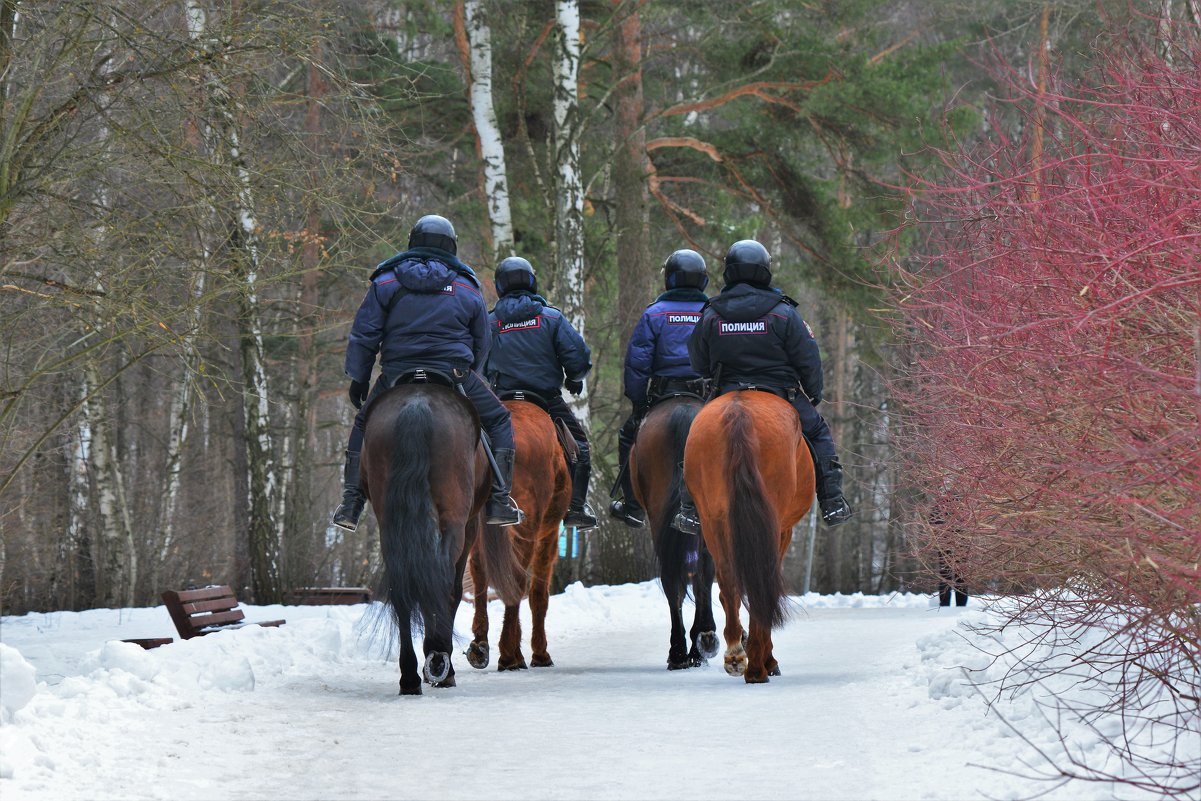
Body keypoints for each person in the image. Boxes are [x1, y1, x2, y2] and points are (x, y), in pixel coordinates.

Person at [332, 214, 523, 532]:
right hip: (453, 372)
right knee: (500, 419)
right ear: (451, 246)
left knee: (363, 422)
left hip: (397, 373)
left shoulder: (386, 281)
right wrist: (470, 372)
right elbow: (482, 340)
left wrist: (359, 377)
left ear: (412, 243)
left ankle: (351, 502)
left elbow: (364, 334)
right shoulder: (466, 285)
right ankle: (500, 500)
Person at [674, 239, 852, 533]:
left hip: (726, 390)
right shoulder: (784, 313)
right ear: (764, 271)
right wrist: (814, 392)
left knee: (695, 435)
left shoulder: (711, 313)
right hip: (781, 392)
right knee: (819, 432)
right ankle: (832, 501)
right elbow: (808, 358)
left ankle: (689, 508)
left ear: (729, 272)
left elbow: (698, 362)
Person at [485, 256, 597, 529]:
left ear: (499, 285)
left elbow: (476, 360)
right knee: (579, 448)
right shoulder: (551, 317)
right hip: (544, 400)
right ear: (532, 282)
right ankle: (576, 508)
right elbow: (578, 359)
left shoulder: (489, 322)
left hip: (501, 401)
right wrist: (574, 378)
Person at [609, 249, 710, 528]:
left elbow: (637, 363)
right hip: (705, 395)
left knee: (629, 436)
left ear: (670, 279)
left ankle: (631, 505)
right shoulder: (713, 312)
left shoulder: (654, 313)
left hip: (663, 393)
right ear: (702, 279)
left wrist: (639, 402)